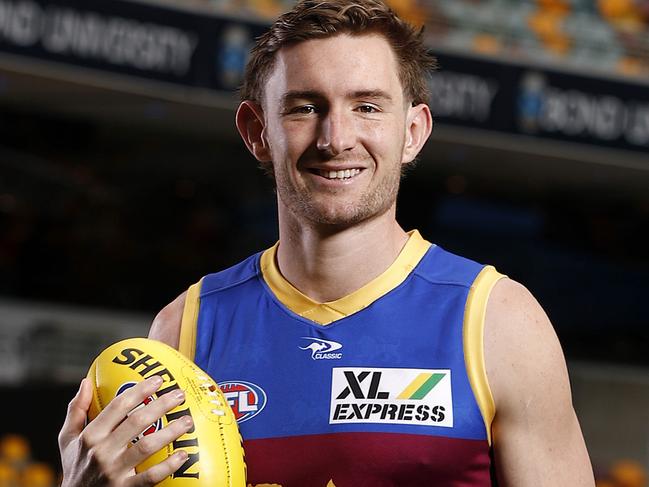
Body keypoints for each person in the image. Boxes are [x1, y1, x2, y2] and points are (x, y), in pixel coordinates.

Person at [58, 1, 596, 486]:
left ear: (412, 132)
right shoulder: (185, 328)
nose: (335, 139)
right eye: (304, 107)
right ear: (256, 131)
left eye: (367, 106)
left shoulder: (499, 321)